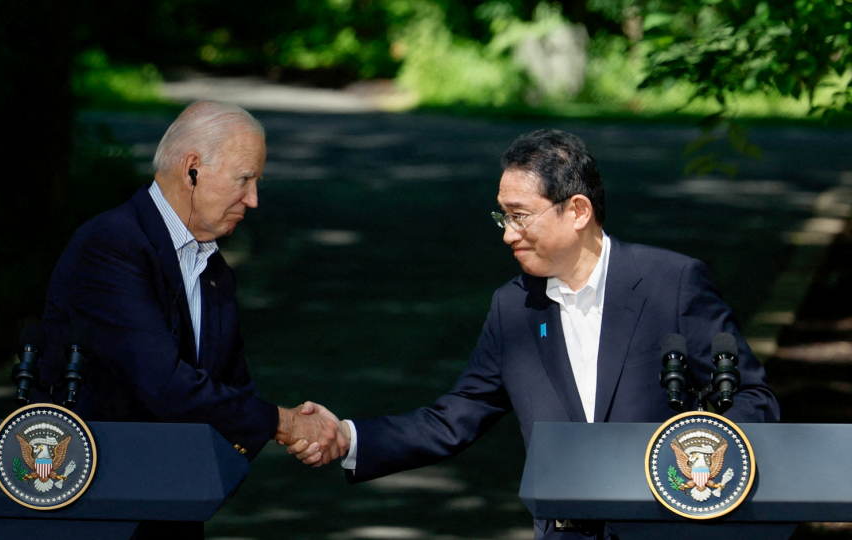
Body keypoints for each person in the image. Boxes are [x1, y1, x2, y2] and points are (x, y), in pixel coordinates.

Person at [288, 129, 780, 539]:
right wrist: (348, 437)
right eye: (504, 216)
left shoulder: (671, 283)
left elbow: (753, 399)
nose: (508, 232)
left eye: (521, 216)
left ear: (578, 210)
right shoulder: (514, 307)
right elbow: (454, 418)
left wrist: (696, 470)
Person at [40, 100, 341, 538]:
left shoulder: (215, 271)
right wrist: (286, 423)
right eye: (245, 179)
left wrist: (283, 426)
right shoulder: (112, 245)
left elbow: (234, 392)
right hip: (92, 509)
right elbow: (161, 383)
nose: (253, 199)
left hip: (171, 509)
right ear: (192, 169)